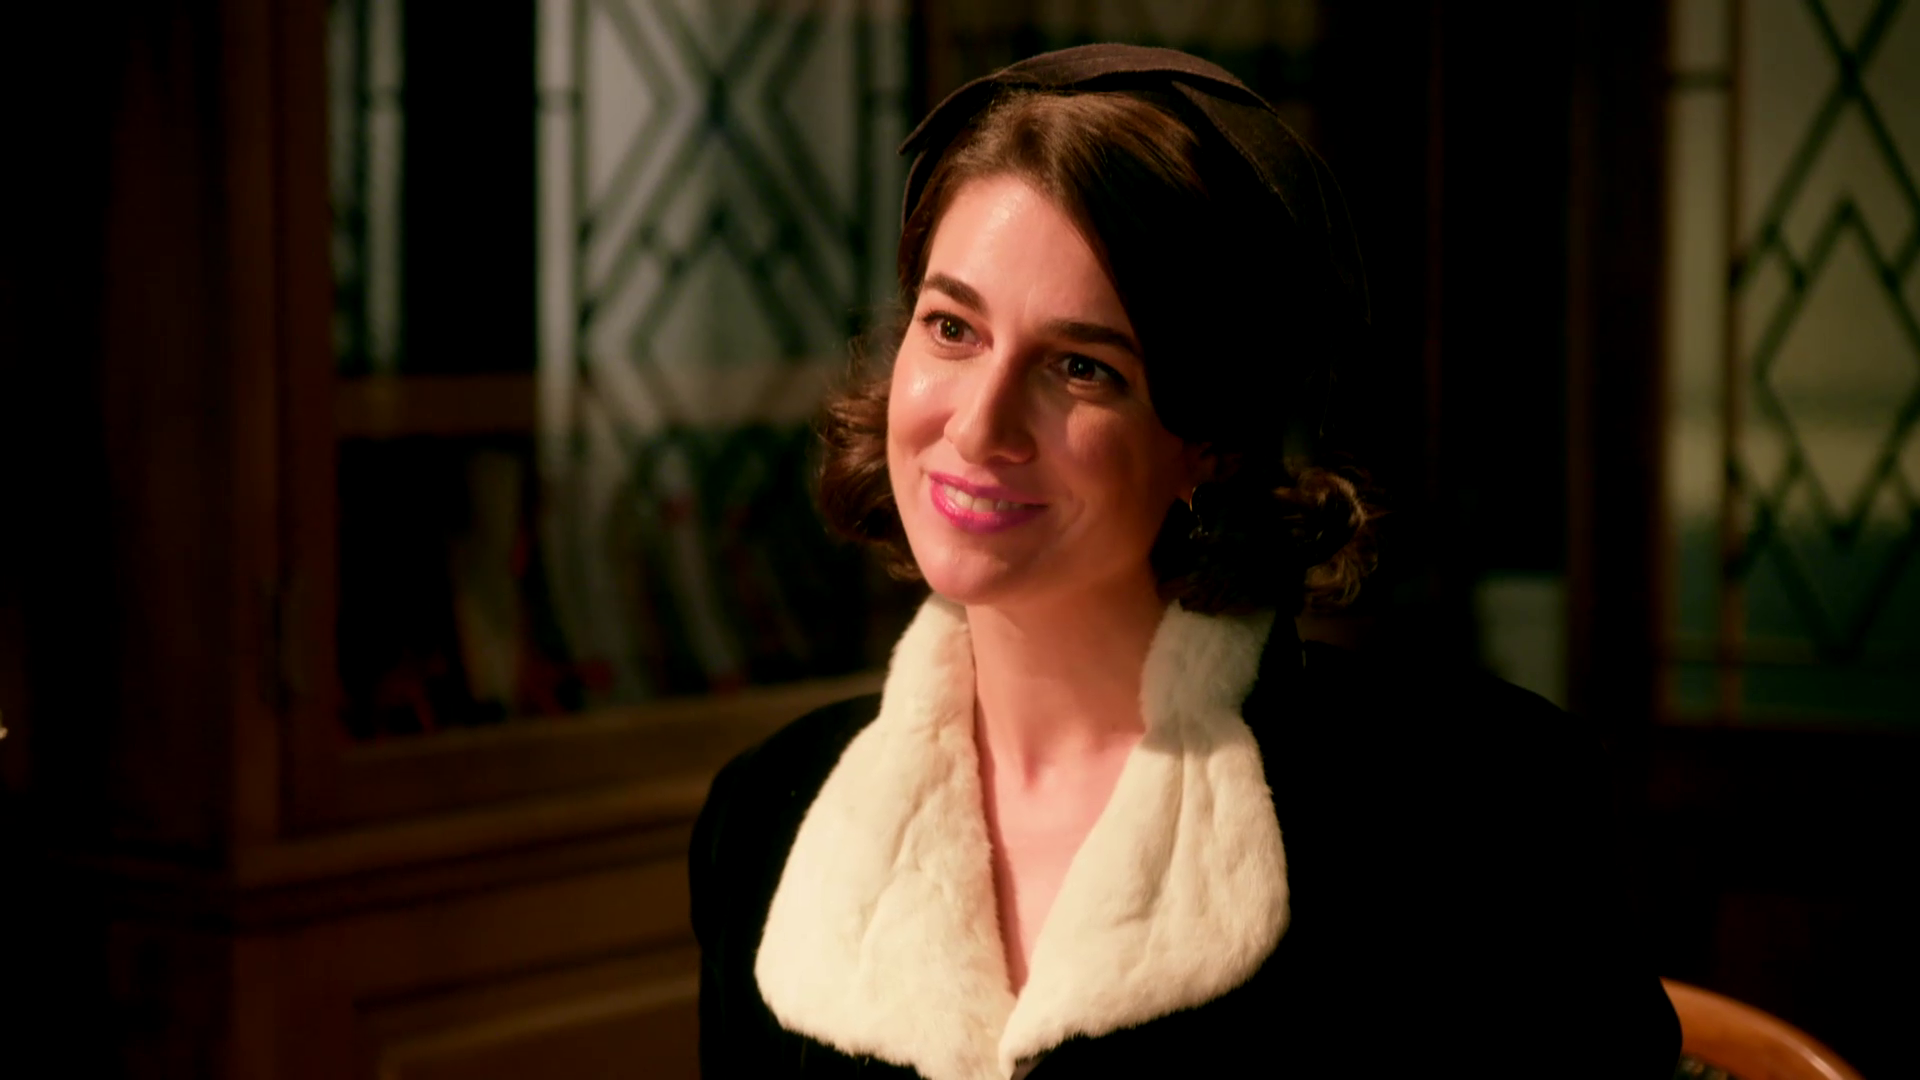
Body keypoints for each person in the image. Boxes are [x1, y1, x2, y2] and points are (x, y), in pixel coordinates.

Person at [690, 44, 1680, 1079]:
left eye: (1082, 367)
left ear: (1212, 439)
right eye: (951, 328)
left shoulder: (1474, 805)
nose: (980, 425)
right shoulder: (763, 818)